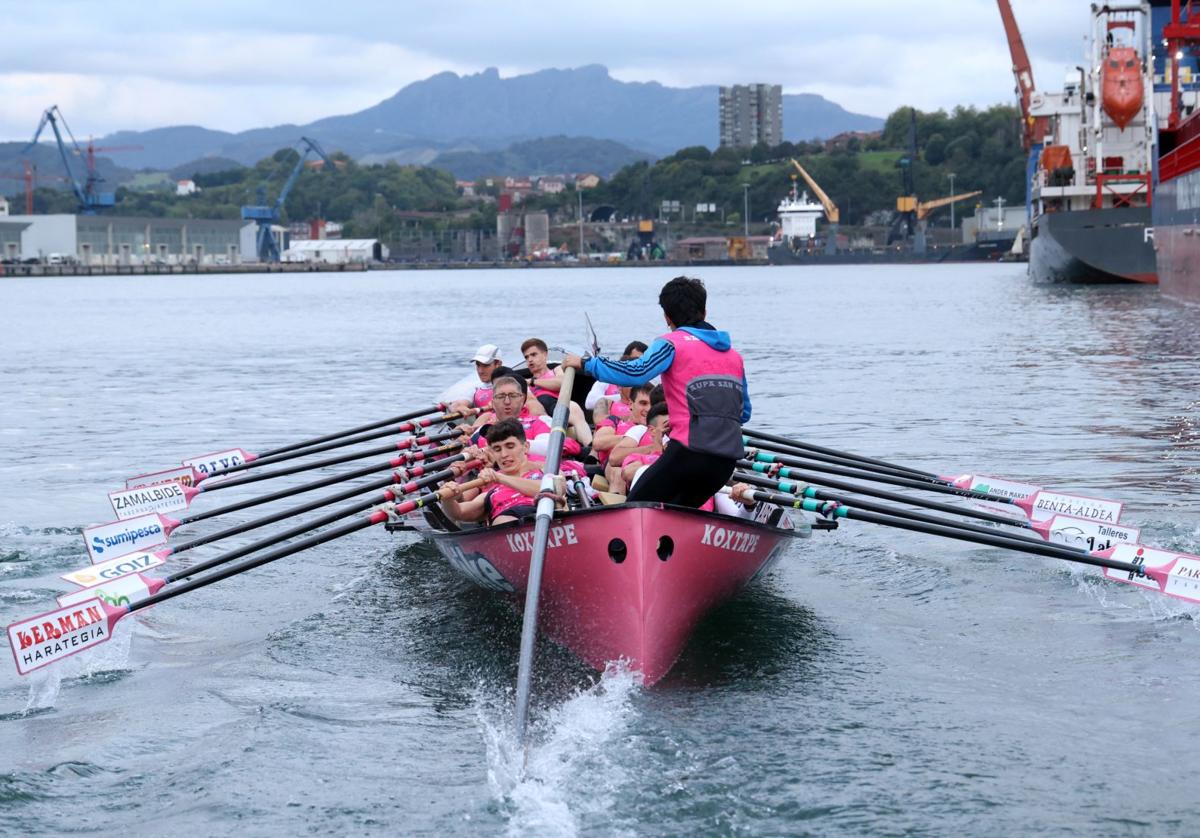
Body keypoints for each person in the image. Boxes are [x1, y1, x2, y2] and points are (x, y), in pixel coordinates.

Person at [563, 276, 749, 508]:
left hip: (689, 454)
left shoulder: (670, 343)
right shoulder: (734, 356)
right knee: (679, 514)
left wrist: (586, 364)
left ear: (667, 317)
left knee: (636, 509)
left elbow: (637, 372)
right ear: (704, 311)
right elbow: (743, 413)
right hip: (725, 463)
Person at [441, 419, 561, 526]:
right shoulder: (492, 489)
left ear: (525, 447)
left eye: (510, 446)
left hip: (552, 518)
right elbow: (459, 513)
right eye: (497, 449)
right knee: (503, 520)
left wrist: (500, 478)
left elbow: (554, 488)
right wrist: (447, 499)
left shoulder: (547, 468)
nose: (504, 455)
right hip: (509, 527)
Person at [520, 338, 592, 444]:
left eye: (534, 355)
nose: (530, 359)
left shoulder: (556, 370)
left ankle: (591, 450)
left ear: (545, 355)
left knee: (573, 407)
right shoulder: (523, 383)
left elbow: (562, 383)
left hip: (557, 409)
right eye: (526, 357)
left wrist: (533, 382)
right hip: (537, 417)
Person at [447, 344, 505, 414]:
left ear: (498, 364)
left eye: (485, 365)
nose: (480, 371)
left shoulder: (511, 384)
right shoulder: (476, 388)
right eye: (478, 365)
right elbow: (458, 404)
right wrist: (459, 407)